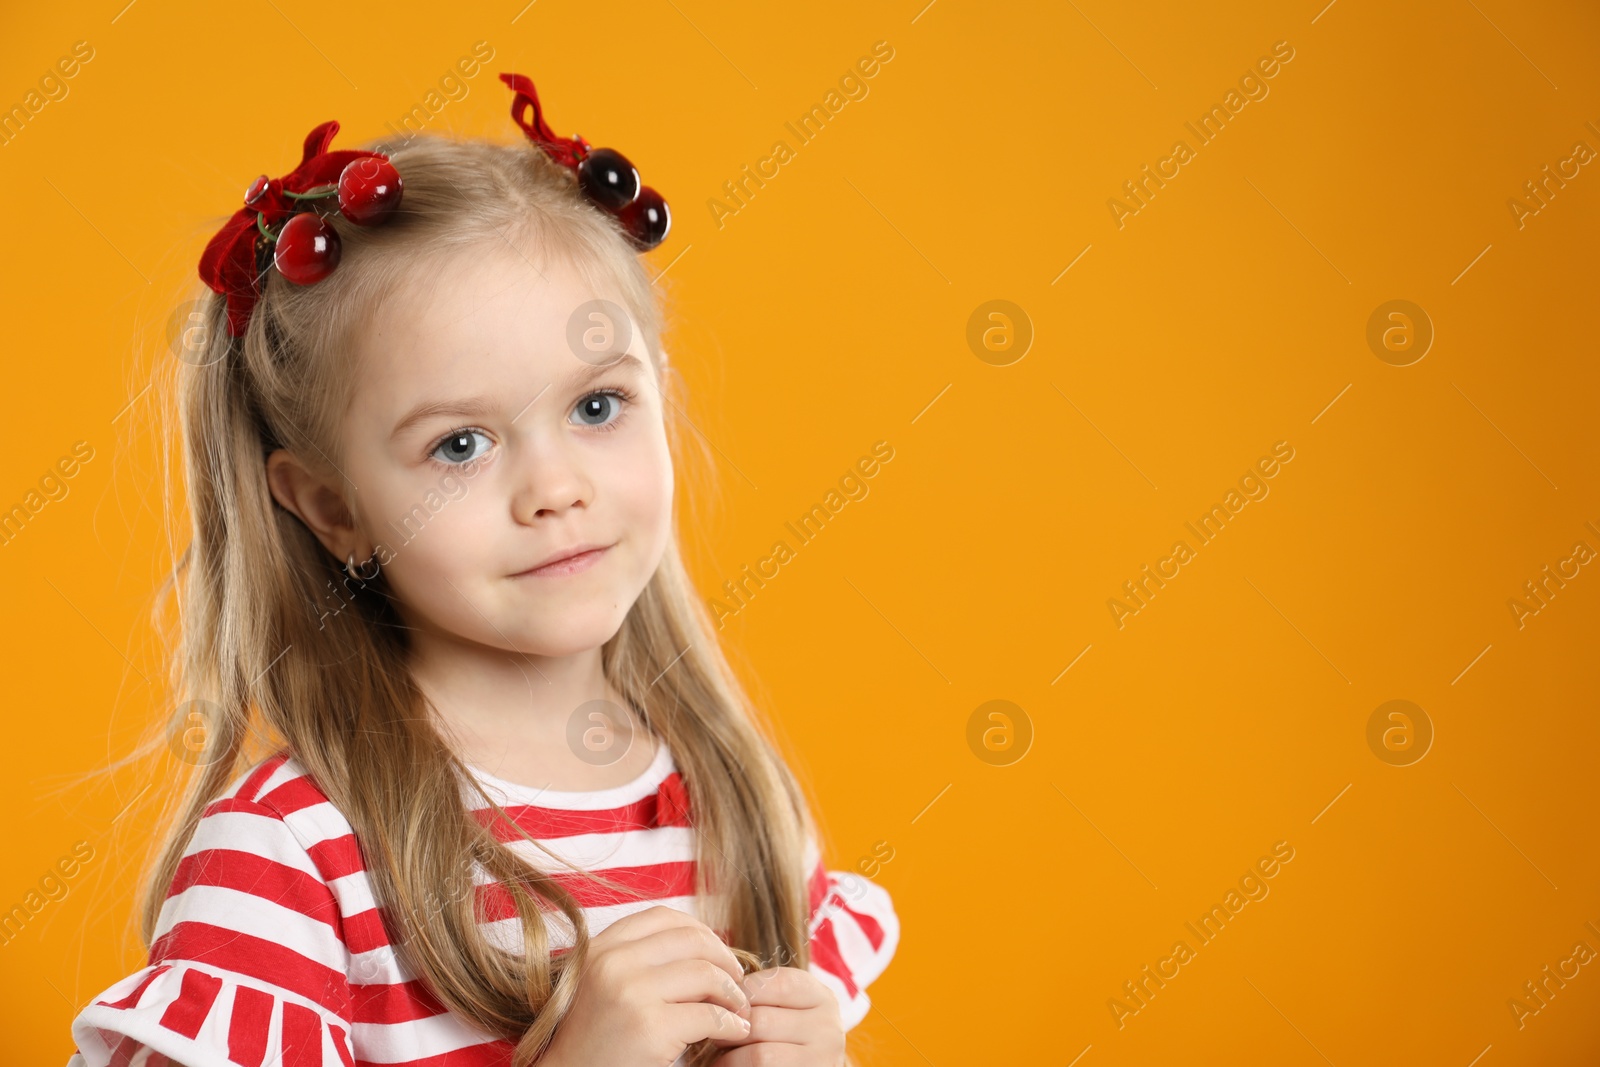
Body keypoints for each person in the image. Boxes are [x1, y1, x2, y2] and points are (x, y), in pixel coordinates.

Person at [66, 72, 898, 1067]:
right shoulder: (293, 861)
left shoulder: (740, 808)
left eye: (597, 407)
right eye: (460, 444)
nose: (554, 488)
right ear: (333, 508)